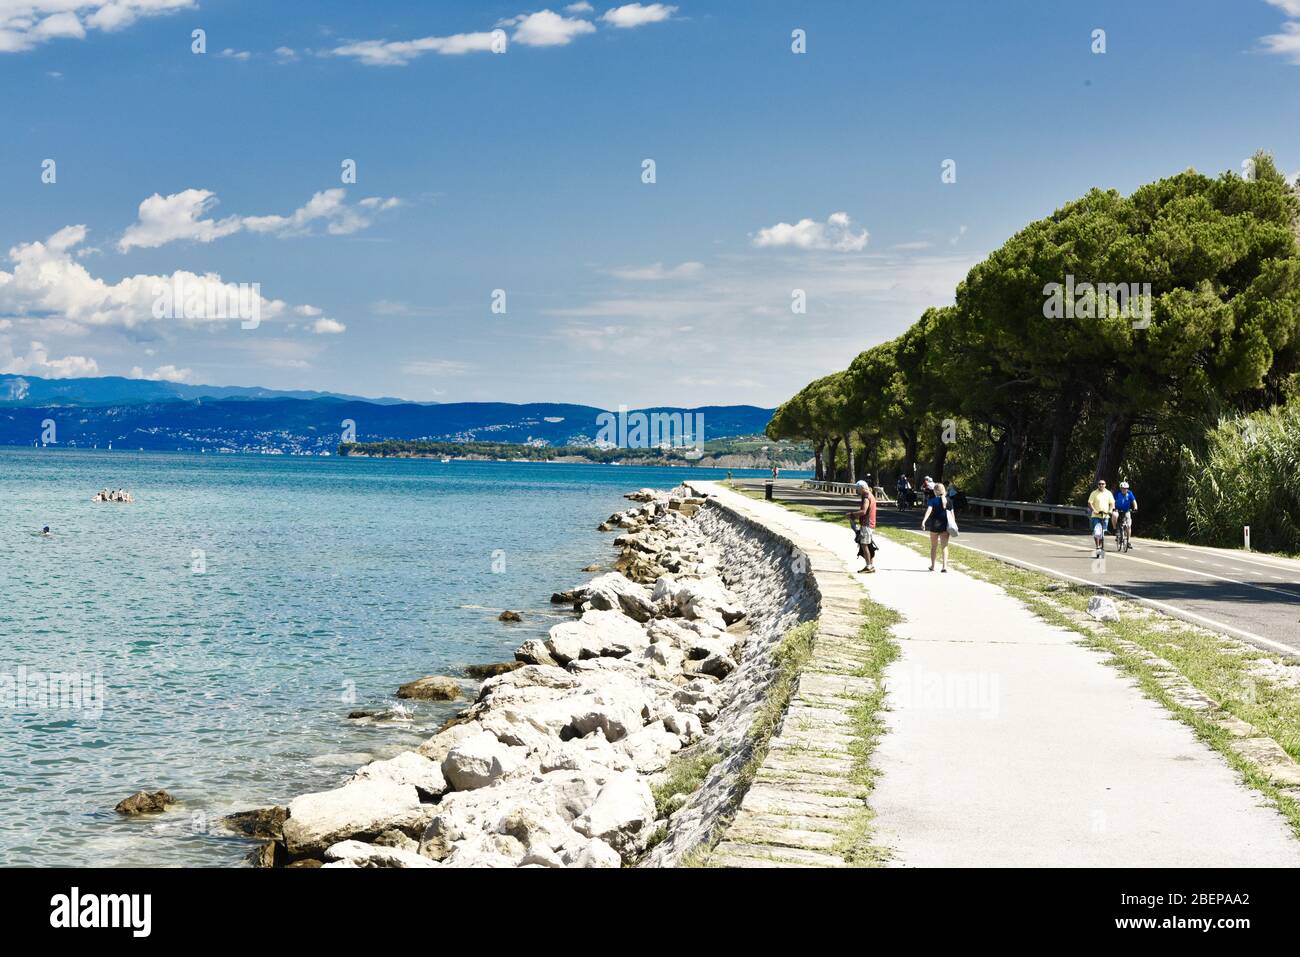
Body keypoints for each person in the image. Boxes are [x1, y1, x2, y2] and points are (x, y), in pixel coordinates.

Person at [849, 478, 877, 573]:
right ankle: (871, 565)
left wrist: (852, 514)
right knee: (868, 545)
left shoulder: (866, 497)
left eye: (857, 489)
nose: (857, 491)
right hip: (869, 523)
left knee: (864, 544)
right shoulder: (870, 495)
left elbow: (863, 511)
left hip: (867, 524)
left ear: (862, 488)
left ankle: (869, 566)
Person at [922, 481, 950, 572]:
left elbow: (929, 511)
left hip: (934, 526)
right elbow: (952, 515)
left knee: (934, 547)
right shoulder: (949, 501)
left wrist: (924, 521)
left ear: (935, 491)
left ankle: (933, 566)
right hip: (945, 526)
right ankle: (944, 566)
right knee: (944, 546)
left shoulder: (932, 500)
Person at [1087, 478, 1116, 559]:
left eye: (1103, 484)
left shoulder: (1108, 493)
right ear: (1098, 485)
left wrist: (1110, 510)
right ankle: (1097, 547)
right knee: (1097, 532)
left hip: (1105, 515)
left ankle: (1101, 547)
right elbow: (1090, 503)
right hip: (1096, 516)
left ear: (1105, 485)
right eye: (1099, 484)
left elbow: (1112, 503)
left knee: (1102, 533)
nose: (1101, 485)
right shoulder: (1094, 493)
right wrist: (1094, 510)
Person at [1114, 481, 1138, 548]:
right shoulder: (1117, 493)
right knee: (1115, 516)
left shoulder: (1130, 493)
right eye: (1123, 488)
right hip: (1117, 510)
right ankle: (1117, 532)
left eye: (1126, 488)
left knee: (1129, 525)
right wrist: (1113, 508)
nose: (1124, 489)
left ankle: (1128, 541)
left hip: (1127, 511)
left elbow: (1134, 502)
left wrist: (1135, 508)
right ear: (1120, 488)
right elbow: (1113, 501)